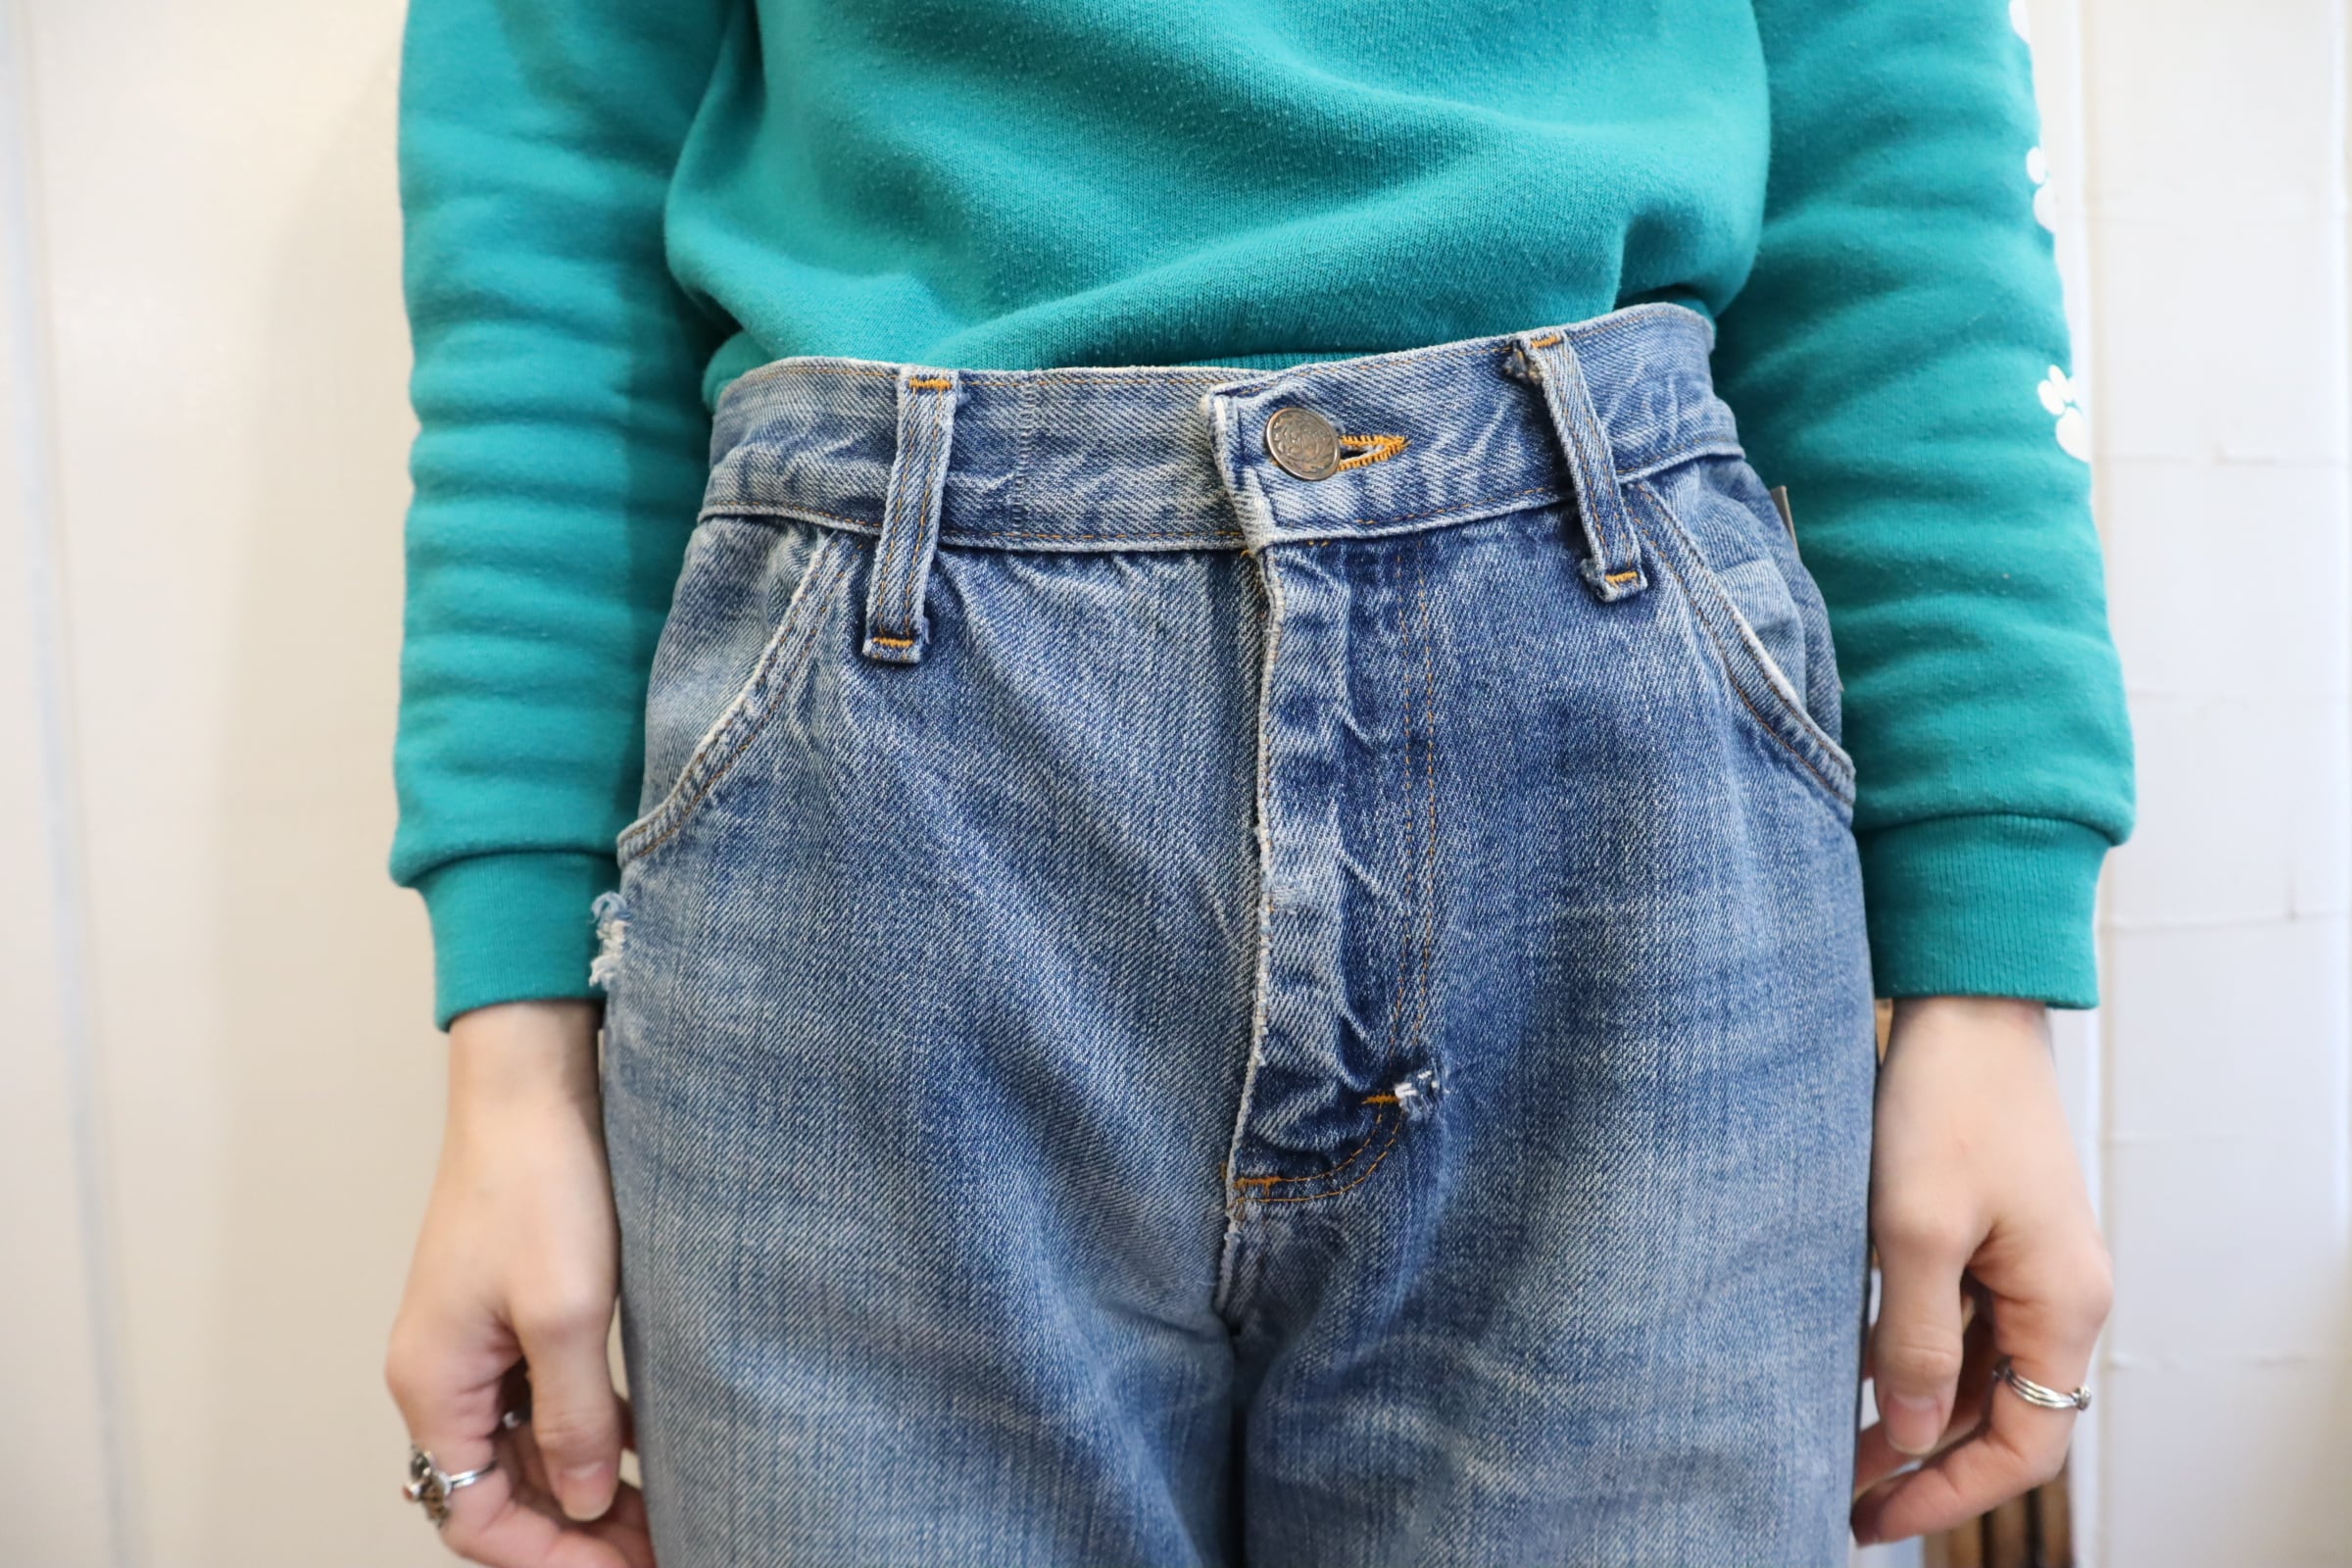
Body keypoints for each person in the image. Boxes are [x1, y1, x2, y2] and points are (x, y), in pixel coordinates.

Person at [379, 0, 2133, 1561]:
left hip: (1616, 825)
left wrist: (1985, 971)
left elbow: (1898, 187)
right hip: (877, 821)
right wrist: (517, 1054)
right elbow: (553, 231)